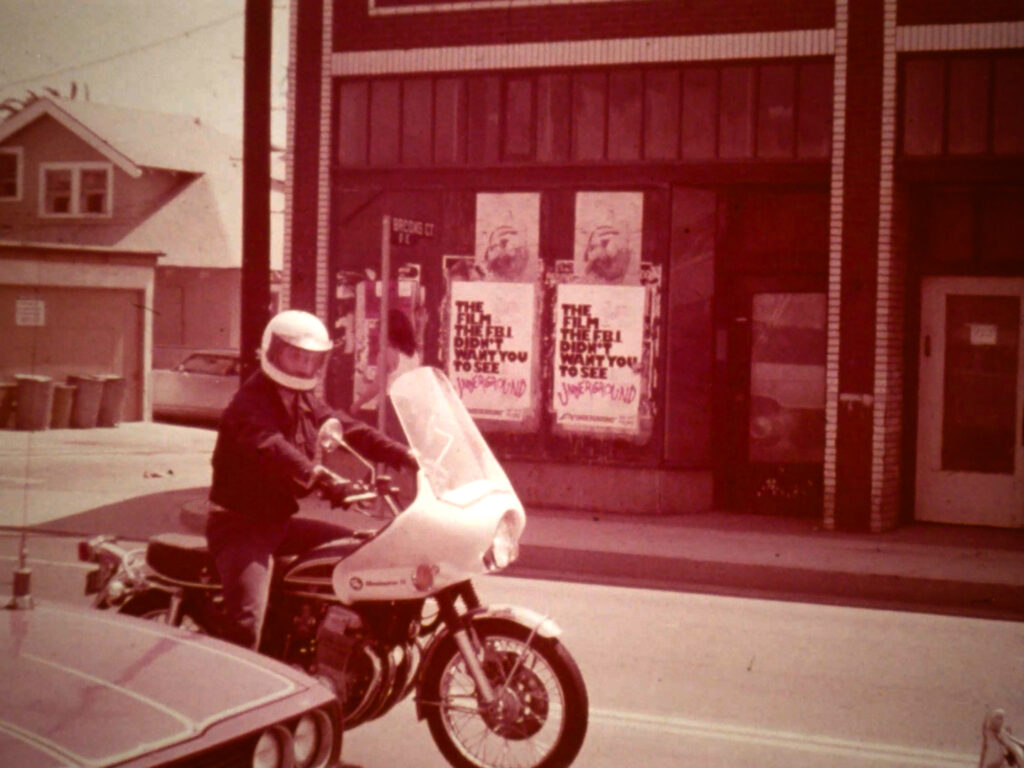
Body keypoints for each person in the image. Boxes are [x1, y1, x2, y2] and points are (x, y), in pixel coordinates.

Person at [206, 309, 418, 648]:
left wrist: (406, 455)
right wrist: (317, 475)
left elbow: (347, 427)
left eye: (310, 359)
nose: (303, 367)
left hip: (279, 522)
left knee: (356, 551)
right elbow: (271, 445)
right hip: (240, 527)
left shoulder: (302, 399)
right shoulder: (250, 401)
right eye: (294, 356)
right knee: (246, 624)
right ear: (273, 351)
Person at [351, 308, 421, 413]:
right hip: (410, 406)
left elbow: (376, 386)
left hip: (392, 405)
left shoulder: (386, 354)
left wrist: (357, 404)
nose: (379, 337)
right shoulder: (414, 354)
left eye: (380, 332)